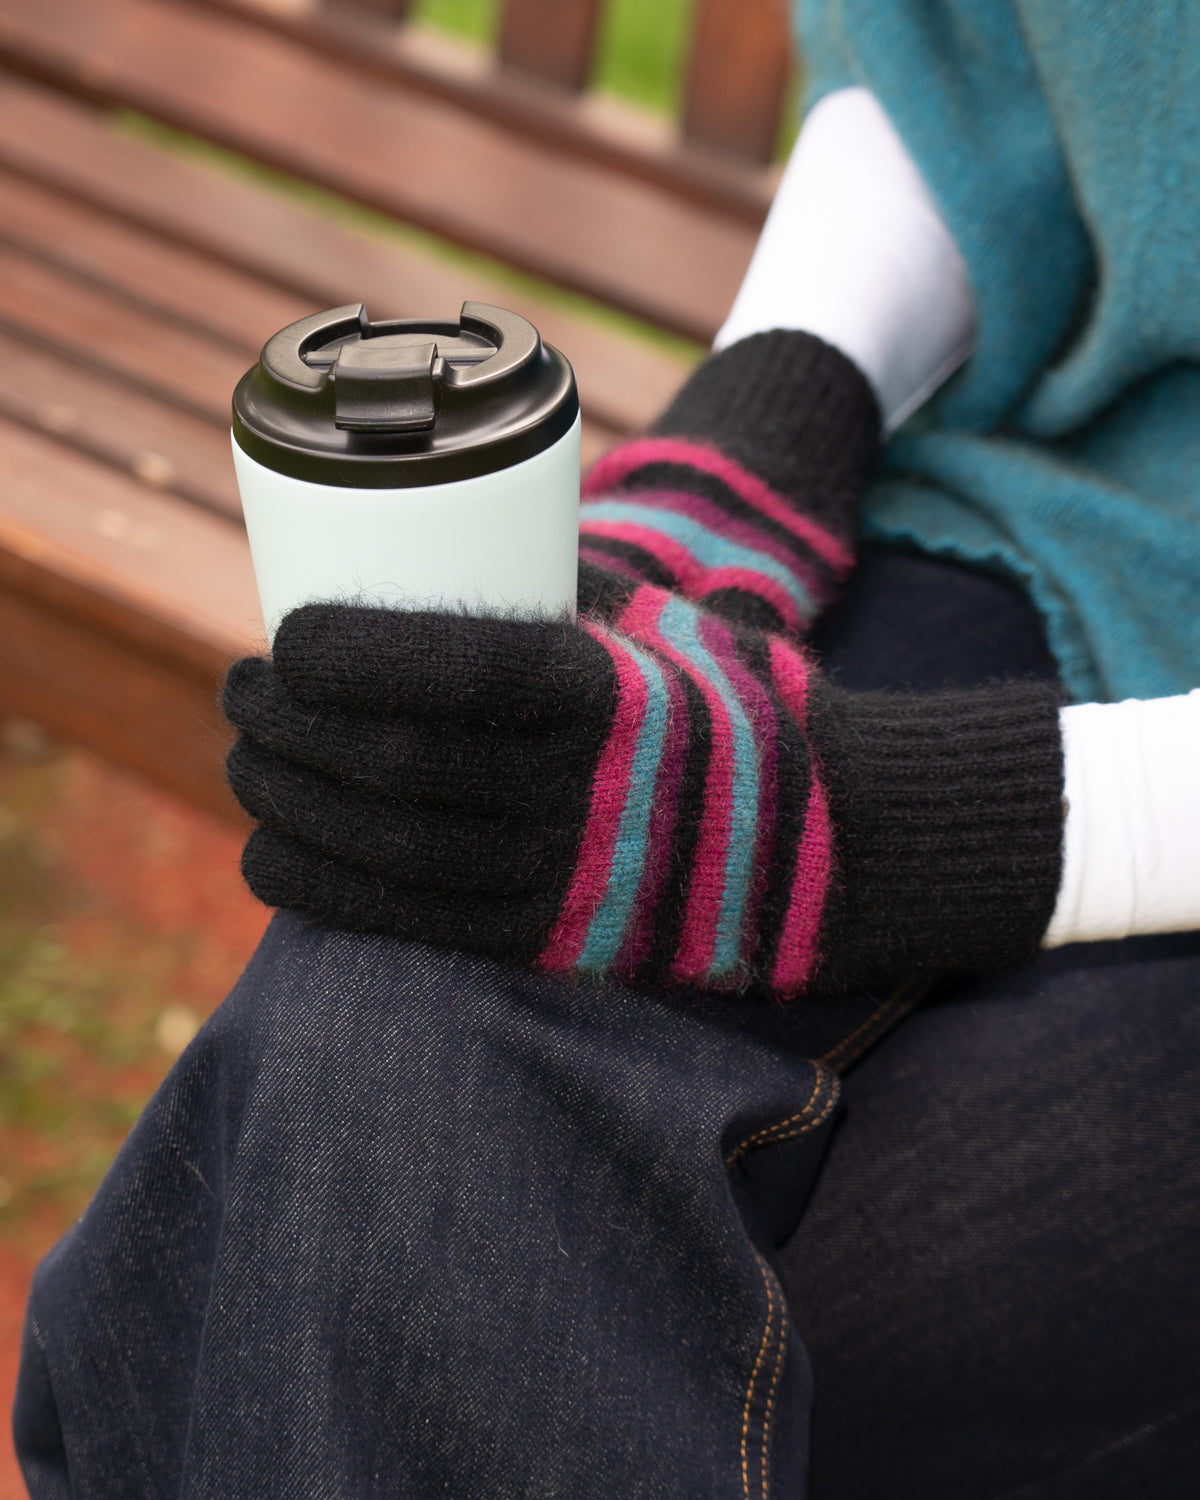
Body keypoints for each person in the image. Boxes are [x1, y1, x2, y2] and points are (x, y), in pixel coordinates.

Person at [14, 2, 1200, 1495]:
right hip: (1081, 534)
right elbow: (977, 55)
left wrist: (878, 835)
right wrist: (759, 436)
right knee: (406, 996)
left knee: (378, 1300)